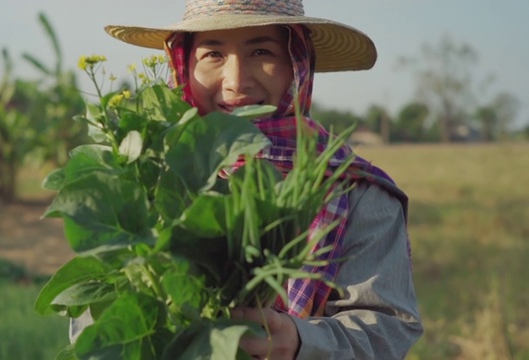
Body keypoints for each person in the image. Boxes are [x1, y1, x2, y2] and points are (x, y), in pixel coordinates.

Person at [71, 1, 423, 358]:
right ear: (184, 62)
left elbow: (387, 329)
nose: (236, 81)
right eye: (213, 54)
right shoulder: (152, 177)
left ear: (297, 63)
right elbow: (97, 326)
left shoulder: (359, 193)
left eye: (261, 51)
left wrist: (300, 342)